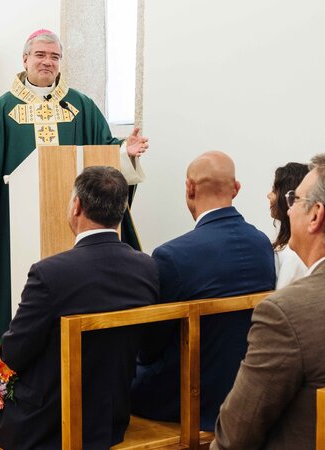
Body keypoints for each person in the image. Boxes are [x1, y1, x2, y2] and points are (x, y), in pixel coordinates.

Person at [0, 29, 149, 336]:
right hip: (19, 220)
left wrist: (122, 153)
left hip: (79, 214)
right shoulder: (2, 110)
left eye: (54, 57)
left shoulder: (80, 106)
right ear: (25, 59)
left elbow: (103, 149)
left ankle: (83, 332)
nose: (47, 62)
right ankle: (19, 337)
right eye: (40, 55)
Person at [0, 166, 159, 450]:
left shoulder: (50, 273)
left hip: (49, 423)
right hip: (111, 418)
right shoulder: (147, 268)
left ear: (77, 206)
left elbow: (14, 354)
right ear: (121, 210)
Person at [212, 152, 325, 450]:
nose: (288, 210)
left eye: (294, 199)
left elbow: (234, 438)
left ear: (316, 215)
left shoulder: (285, 313)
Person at [130, 151, 275, 431]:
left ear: (190, 188)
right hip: (245, 391)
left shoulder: (172, 255)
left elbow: (149, 349)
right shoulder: (261, 244)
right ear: (236, 189)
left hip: (186, 398)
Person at [267, 162, 309, 288]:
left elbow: (281, 297)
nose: (268, 195)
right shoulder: (287, 248)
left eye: (274, 190)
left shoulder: (293, 256)